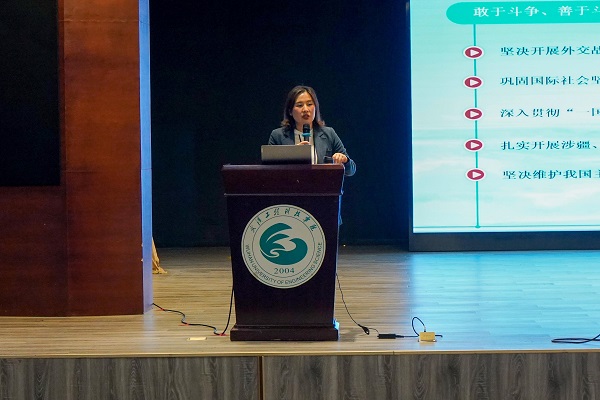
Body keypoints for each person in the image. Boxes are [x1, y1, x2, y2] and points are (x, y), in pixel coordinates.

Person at [268, 85, 356, 176]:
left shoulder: (329, 134)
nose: (305, 109)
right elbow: (269, 172)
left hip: (321, 184)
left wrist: (345, 160)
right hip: (290, 184)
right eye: (300, 105)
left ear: (316, 108)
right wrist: (291, 155)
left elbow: (351, 170)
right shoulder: (277, 136)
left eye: (309, 104)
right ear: (290, 111)